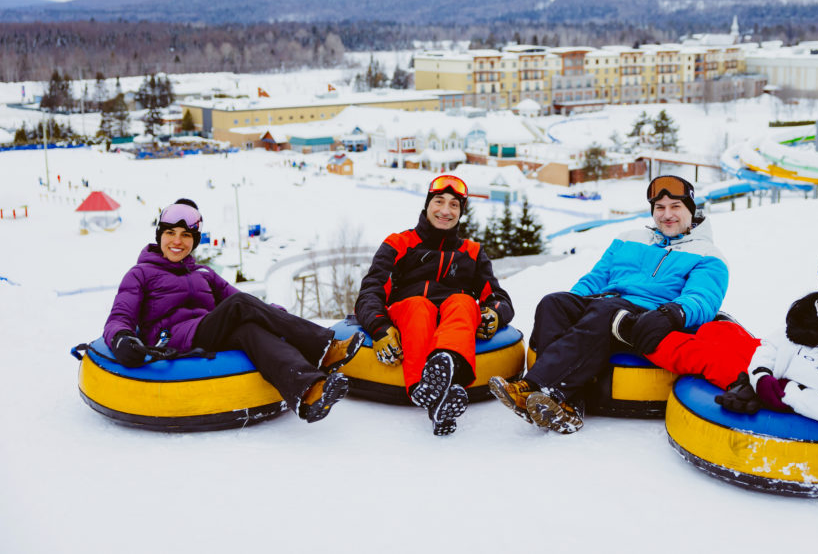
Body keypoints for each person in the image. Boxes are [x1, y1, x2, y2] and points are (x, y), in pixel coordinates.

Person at [489, 175, 728, 434]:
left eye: (675, 207)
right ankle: (566, 405)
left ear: (690, 211)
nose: (666, 215)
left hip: (645, 320)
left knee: (605, 312)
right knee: (553, 304)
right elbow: (597, 277)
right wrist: (573, 304)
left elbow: (703, 298)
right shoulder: (629, 237)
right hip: (605, 305)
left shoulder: (707, 253)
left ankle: (537, 386)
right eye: (660, 208)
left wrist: (672, 313)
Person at [103, 198, 364, 423]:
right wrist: (121, 338)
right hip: (173, 339)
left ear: (194, 241)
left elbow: (240, 300)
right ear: (159, 235)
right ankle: (325, 348)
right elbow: (119, 316)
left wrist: (275, 315)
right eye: (170, 233)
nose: (177, 241)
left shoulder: (203, 273)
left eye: (186, 235)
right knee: (239, 308)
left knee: (249, 328)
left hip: (206, 331)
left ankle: (309, 391)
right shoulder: (141, 273)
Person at [645, 238, 818, 437]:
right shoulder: (813, 316)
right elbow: (771, 345)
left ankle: (638, 332)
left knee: (698, 354)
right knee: (721, 332)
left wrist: (787, 393)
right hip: (769, 374)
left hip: (778, 389)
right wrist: (762, 375)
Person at [354, 175, 514, 436]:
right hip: (409, 314)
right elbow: (370, 292)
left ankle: (443, 377)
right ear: (427, 205)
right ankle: (425, 386)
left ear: (461, 213)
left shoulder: (472, 252)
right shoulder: (399, 243)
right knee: (420, 306)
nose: (445, 211)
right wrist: (380, 327)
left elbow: (498, 297)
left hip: (454, 321)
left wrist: (495, 314)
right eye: (439, 202)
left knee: (463, 301)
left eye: (454, 205)